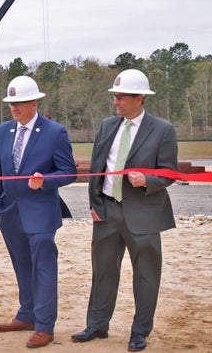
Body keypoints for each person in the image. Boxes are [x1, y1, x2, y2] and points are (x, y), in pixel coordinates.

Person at [71, 69, 177, 352]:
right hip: (106, 212)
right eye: (115, 97)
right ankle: (97, 325)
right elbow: (97, 167)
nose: (116, 102)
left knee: (146, 275)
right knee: (103, 271)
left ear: (139, 98)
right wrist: (94, 204)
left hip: (144, 214)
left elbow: (169, 173)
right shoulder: (107, 126)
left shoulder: (163, 130)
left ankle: (140, 331)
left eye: (121, 97)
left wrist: (148, 180)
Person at [0, 76, 77, 348]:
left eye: (19, 103)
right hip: (10, 213)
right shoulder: (3, 131)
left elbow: (69, 172)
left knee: (43, 267)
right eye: (11, 104)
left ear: (34, 102)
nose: (14, 109)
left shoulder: (55, 132)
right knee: (21, 266)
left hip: (40, 213)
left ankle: (44, 326)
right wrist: (0, 202)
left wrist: (45, 181)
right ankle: (26, 315)